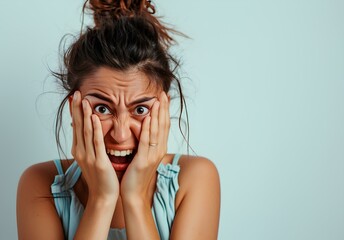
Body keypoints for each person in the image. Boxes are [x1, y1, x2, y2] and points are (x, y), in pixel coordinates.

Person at [16, 0, 220, 239]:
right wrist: (101, 199)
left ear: (164, 112)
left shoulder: (194, 179)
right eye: (102, 109)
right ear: (74, 110)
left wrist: (135, 199)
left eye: (140, 110)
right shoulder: (40, 184)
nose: (120, 134)